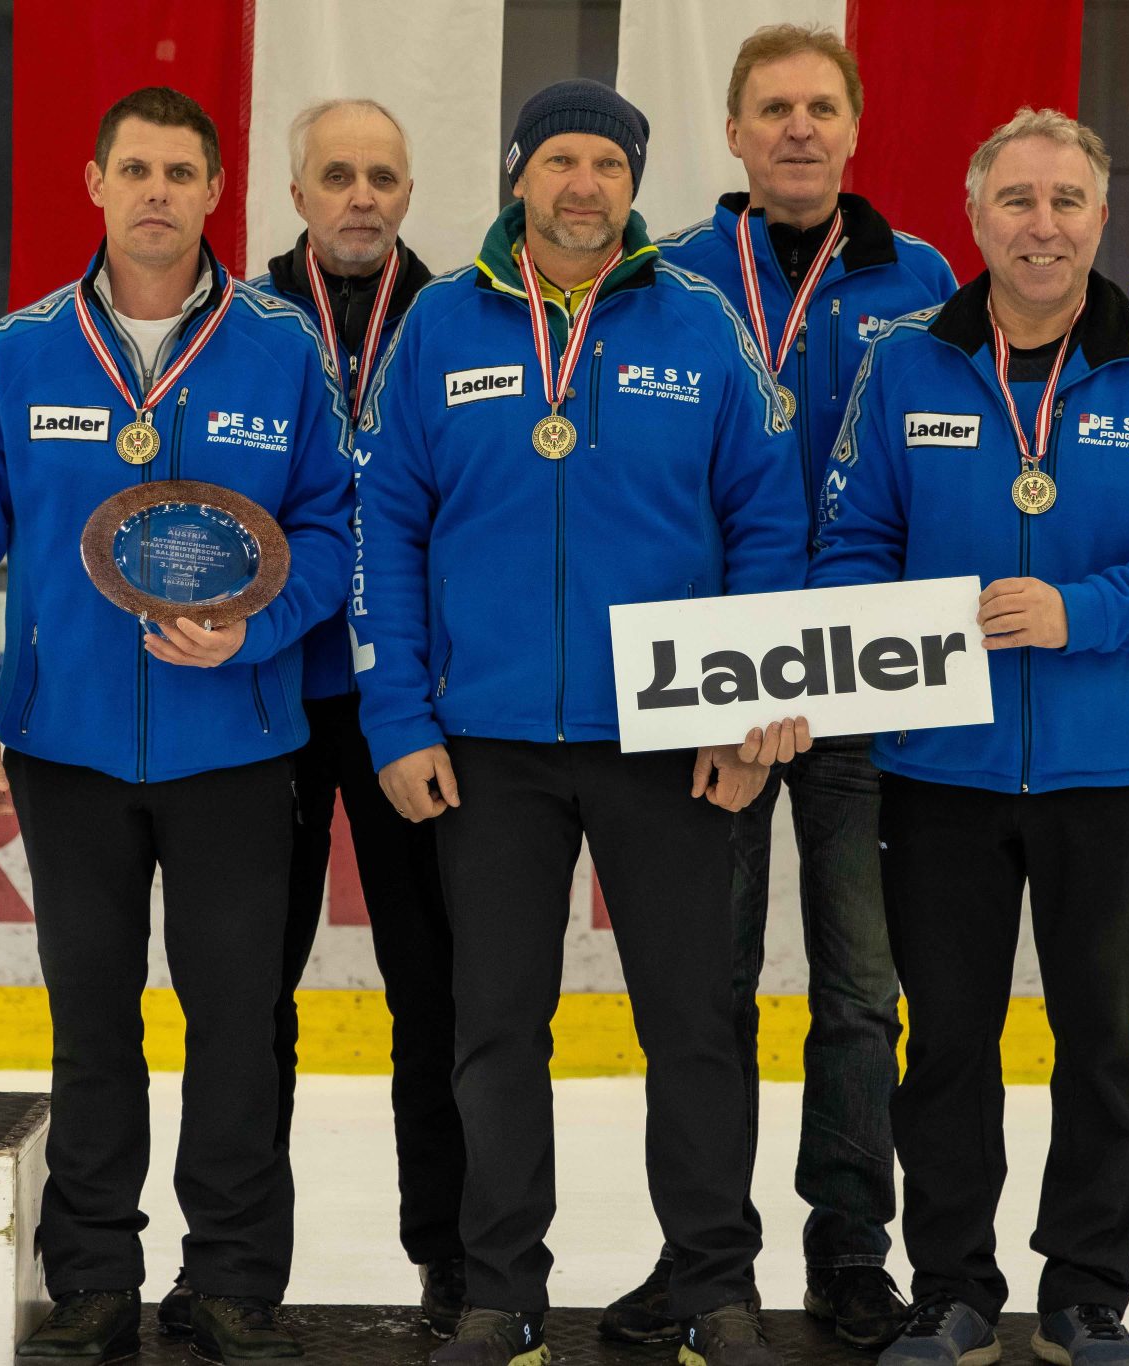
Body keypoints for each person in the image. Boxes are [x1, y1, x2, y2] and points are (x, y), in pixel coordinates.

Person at [355, 77, 808, 1366]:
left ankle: (716, 1283)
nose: (582, 186)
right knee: (494, 1023)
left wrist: (745, 706)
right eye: (558, 161)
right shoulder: (440, 325)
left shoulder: (701, 325)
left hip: (667, 735)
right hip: (486, 742)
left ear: (631, 184)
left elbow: (766, 528)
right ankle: (501, 1293)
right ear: (516, 177)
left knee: (695, 1023)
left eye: (606, 166)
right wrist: (396, 716)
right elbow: (385, 526)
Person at [807, 107, 1129, 1365]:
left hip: (1110, 774)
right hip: (936, 772)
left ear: (1100, 219)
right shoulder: (902, 361)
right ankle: (951, 1287)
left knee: (1100, 1052)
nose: (1041, 223)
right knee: (944, 1045)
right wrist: (862, 654)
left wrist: (1082, 613)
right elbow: (850, 544)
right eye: (1016, 200)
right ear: (974, 217)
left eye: (1065, 200)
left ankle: (1080, 1294)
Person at [0, 86, 353, 1363]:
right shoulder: (17, 355)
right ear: (94, 182)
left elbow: (337, 531)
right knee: (91, 1015)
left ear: (218, 193)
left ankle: (229, 1281)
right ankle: (92, 1273)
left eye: (182, 172)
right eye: (136, 169)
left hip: (238, 748)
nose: (158, 192)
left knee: (237, 1022)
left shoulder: (280, 347)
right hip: (68, 752)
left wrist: (258, 628)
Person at [628, 25, 955, 1349]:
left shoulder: (926, 278)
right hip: (717, 677)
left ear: (856, 126)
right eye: (775, 108)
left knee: (861, 988)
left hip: (868, 668)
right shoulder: (671, 278)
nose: (801, 128)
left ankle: (850, 1250)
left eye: (823, 106)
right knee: (699, 984)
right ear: (735, 129)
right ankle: (705, 1255)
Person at [231, 96, 465, 1340]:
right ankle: (239, 1270)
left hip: (409, 703)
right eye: (337, 174)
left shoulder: (469, 309)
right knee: (245, 995)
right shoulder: (239, 315)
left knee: (432, 991)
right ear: (297, 192)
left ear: (408, 191)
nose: (360, 194)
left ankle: (450, 1259)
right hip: (265, 691)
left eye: (382, 174)